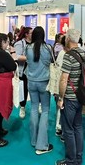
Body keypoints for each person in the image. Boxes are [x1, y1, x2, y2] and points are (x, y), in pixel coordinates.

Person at [56, 29, 85, 165]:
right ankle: (78, 158)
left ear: (68, 39)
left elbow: (63, 80)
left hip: (70, 97)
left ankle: (71, 160)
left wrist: (61, 98)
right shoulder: (83, 53)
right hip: (81, 95)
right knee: (78, 127)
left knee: (68, 129)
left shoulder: (68, 56)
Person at [25, 26, 53, 155]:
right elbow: (51, 63)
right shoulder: (48, 48)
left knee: (34, 108)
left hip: (31, 82)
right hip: (44, 82)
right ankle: (42, 144)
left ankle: (33, 140)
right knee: (45, 110)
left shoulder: (28, 48)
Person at [14, 26, 33, 118]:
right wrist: (31, 58)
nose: (33, 35)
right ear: (26, 34)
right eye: (31, 33)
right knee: (24, 89)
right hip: (23, 70)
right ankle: (22, 107)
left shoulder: (35, 43)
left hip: (34, 70)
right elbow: (16, 56)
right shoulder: (19, 43)